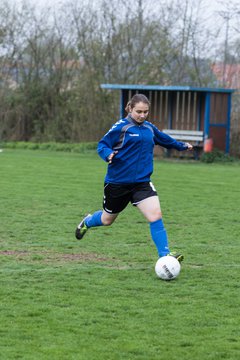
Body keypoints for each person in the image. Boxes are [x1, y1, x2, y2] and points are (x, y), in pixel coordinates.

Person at [75, 94, 193, 262]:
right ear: (130, 108)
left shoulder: (149, 128)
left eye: (146, 112)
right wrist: (108, 154)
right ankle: (88, 221)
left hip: (141, 184)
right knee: (107, 220)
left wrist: (181, 146)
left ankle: (165, 255)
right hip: (117, 183)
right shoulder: (121, 127)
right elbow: (102, 144)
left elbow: (164, 139)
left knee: (155, 215)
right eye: (139, 111)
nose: (142, 115)